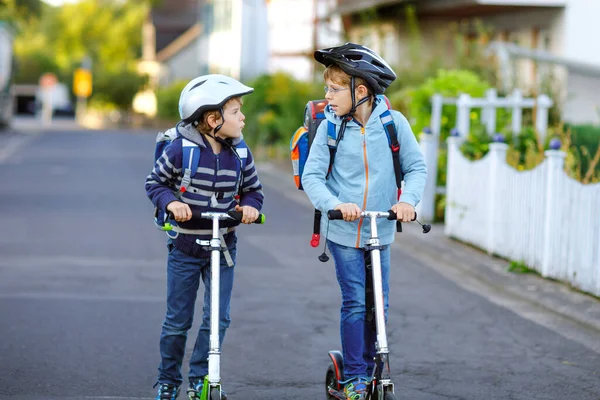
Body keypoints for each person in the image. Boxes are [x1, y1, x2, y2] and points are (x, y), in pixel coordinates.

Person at [301, 43, 427, 400]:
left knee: (380, 304)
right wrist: (335, 204)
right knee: (356, 300)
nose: (326, 97)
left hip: (380, 228)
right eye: (326, 88)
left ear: (360, 91)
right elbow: (313, 178)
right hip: (343, 231)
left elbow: (416, 167)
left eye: (333, 89)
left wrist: (407, 201)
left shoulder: (393, 123)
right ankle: (355, 376)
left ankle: (373, 366)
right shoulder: (329, 127)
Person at [145, 74, 264, 400]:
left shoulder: (240, 153)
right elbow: (154, 184)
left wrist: (250, 208)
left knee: (218, 319)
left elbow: (253, 191)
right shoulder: (180, 151)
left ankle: (201, 379)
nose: (243, 117)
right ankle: (169, 379)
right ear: (213, 119)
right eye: (236, 111)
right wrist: (172, 203)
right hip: (185, 246)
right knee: (177, 321)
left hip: (223, 244)